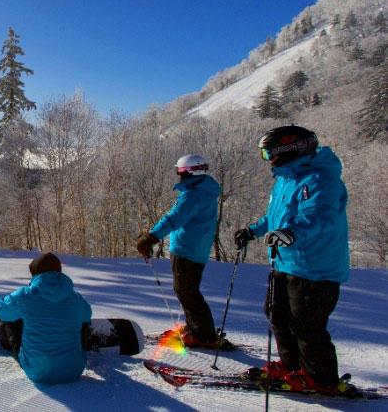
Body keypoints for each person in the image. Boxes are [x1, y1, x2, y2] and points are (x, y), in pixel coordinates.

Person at [234, 125, 349, 395]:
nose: (268, 159)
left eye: (269, 153)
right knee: (277, 314)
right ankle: (292, 365)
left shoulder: (320, 179)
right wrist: (253, 231)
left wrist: (292, 233)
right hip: (285, 261)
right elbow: (276, 217)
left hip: (314, 267)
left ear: (290, 149)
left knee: (306, 323)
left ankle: (321, 378)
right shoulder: (286, 179)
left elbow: (321, 217)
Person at [136, 154, 233, 350]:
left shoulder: (193, 195)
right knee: (186, 289)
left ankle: (204, 334)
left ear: (189, 173)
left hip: (187, 249)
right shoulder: (203, 190)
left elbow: (173, 219)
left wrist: (152, 237)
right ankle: (195, 327)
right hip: (195, 248)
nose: (179, 176)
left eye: (180, 171)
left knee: (187, 291)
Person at [0, 252, 92, 384]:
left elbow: (0, 310)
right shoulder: (75, 298)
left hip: (37, 371)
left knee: (10, 317)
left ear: (36, 273)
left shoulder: (26, 295)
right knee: (82, 321)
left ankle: (8, 341)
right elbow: (88, 315)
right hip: (73, 371)